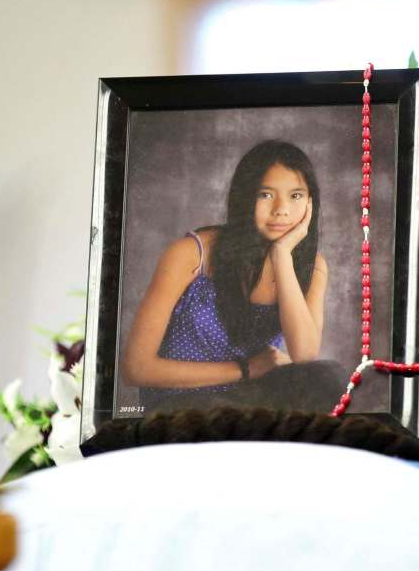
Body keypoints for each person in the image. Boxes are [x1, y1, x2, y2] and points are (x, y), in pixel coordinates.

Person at [122, 139, 338, 410]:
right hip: (182, 406)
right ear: (244, 197)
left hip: (249, 402)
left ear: (310, 203)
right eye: (265, 194)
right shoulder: (192, 253)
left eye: (295, 196)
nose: (281, 209)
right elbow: (136, 368)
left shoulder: (313, 266)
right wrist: (246, 369)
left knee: (330, 378)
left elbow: (304, 355)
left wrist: (282, 256)